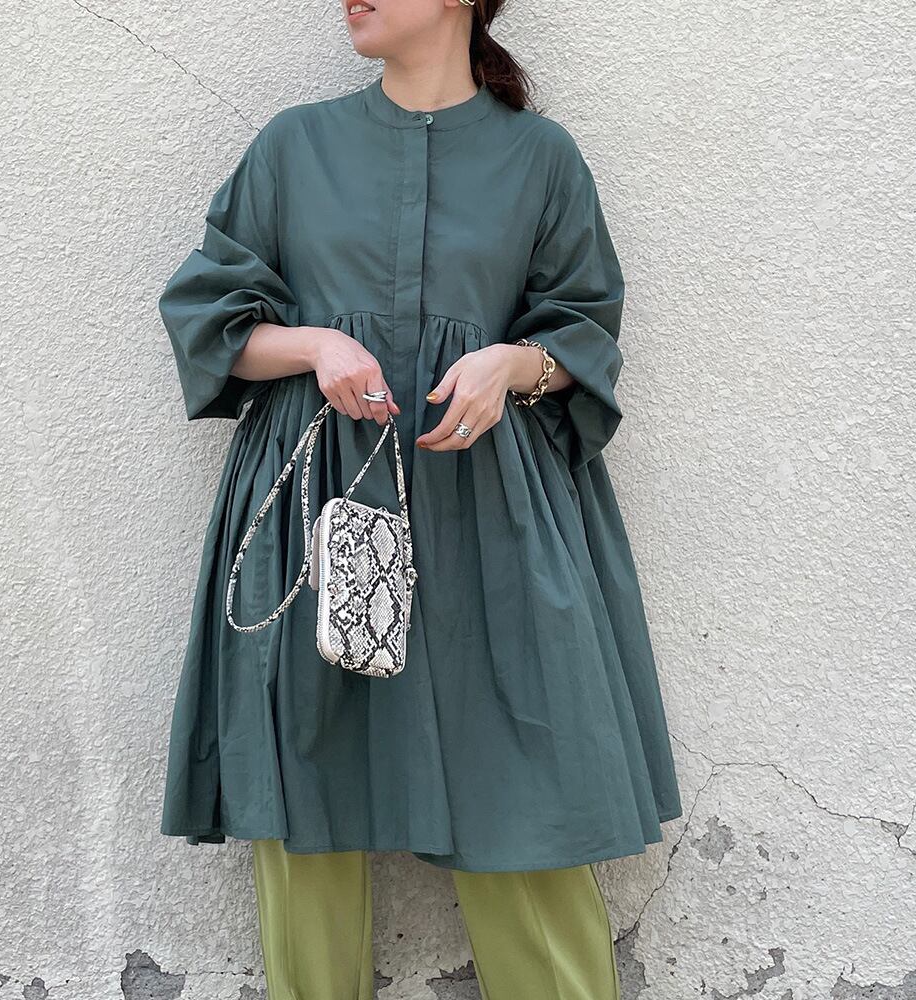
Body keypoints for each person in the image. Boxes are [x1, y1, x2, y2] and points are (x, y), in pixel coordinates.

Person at [156, 0, 683, 996]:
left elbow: (584, 332)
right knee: (306, 802)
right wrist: (315, 344)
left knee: (526, 796)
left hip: (492, 515)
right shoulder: (293, 148)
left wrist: (512, 365)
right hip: (318, 515)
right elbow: (210, 317)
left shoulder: (541, 159)